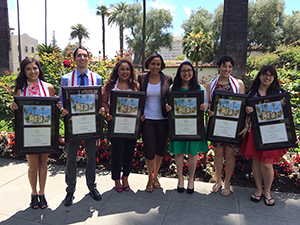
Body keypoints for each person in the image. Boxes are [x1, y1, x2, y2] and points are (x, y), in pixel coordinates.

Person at [239, 65, 299, 206]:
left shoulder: (279, 93)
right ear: (259, 76)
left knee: (267, 164)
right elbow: (244, 116)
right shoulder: (252, 94)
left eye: (271, 75)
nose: (267, 77)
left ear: (274, 77)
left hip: (273, 134)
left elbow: (287, 116)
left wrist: (292, 134)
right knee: (256, 162)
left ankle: (267, 192)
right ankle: (259, 190)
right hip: (255, 133)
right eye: (265, 74)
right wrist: (247, 110)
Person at [59, 46, 102, 206]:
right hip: (73, 126)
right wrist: (63, 109)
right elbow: (61, 99)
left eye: (85, 55)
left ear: (88, 58)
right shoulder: (66, 78)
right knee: (71, 159)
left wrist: (101, 110)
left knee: (91, 158)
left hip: (90, 126)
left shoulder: (96, 78)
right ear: (75, 58)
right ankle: (70, 191)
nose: (82, 58)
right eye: (79, 55)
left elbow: (99, 100)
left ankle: (92, 187)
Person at [10, 57, 55, 209]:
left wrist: (59, 107)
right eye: (28, 69)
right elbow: (18, 113)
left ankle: (42, 193)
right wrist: (14, 107)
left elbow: (53, 109)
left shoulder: (48, 88)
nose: (32, 71)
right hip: (28, 133)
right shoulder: (20, 89)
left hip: (45, 132)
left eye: (34, 68)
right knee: (33, 165)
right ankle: (33, 194)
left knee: (43, 164)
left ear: (39, 70)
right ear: (24, 71)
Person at [166, 61, 208, 194]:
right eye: (183, 71)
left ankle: (191, 179)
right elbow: (169, 104)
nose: (186, 73)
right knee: (178, 153)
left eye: (189, 70)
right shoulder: (173, 88)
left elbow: (206, 104)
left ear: (193, 72)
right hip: (178, 126)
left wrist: (204, 107)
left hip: (194, 127)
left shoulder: (200, 88)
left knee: (192, 154)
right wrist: (168, 107)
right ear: (179, 73)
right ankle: (180, 179)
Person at [206, 55, 245, 196]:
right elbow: (209, 105)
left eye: (229, 66)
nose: (226, 69)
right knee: (218, 154)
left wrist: (244, 125)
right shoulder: (211, 85)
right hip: (216, 125)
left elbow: (242, 105)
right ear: (218, 67)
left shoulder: (238, 84)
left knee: (229, 154)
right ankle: (218, 181)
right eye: (224, 66)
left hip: (232, 126)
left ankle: (227, 183)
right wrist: (209, 111)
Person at [102, 59, 139, 192]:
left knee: (129, 153)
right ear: (117, 71)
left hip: (131, 126)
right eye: (122, 69)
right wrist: (108, 112)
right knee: (117, 153)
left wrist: (141, 114)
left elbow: (138, 104)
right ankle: (116, 179)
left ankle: (126, 178)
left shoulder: (135, 85)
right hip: (116, 126)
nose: (125, 72)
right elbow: (104, 102)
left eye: (127, 69)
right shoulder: (110, 86)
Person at [138, 53, 172, 192]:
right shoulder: (141, 78)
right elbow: (137, 96)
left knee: (159, 150)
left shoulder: (167, 79)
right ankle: (149, 178)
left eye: (158, 64)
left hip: (162, 119)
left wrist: (170, 106)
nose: (155, 67)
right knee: (149, 149)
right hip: (147, 120)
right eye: (153, 63)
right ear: (148, 64)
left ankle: (155, 175)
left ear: (161, 65)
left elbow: (172, 97)